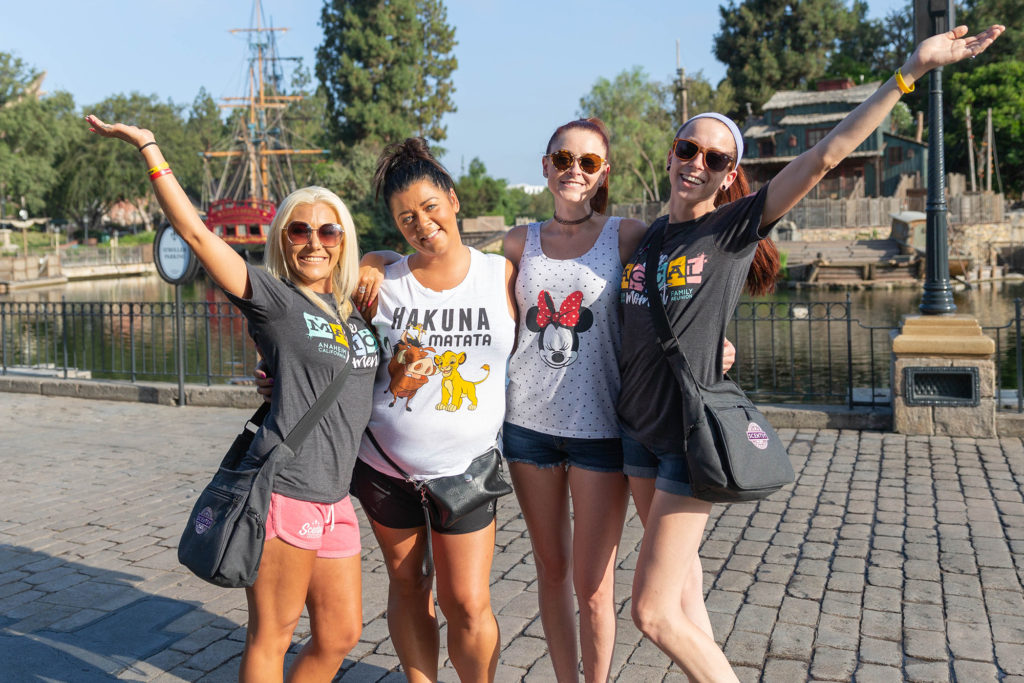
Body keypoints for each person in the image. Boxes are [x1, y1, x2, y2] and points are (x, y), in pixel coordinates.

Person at [616, 24, 1004, 681]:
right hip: (637, 434)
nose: (696, 164)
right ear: (672, 150)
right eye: (689, 148)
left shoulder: (729, 230)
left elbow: (826, 156)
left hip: (688, 437)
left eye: (714, 159)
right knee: (683, 592)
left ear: (729, 174)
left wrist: (909, 71)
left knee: (652, 613)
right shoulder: (644, 238)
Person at [86, 116, 378, 683]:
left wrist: (379, 265)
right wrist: (149, 145)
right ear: (282, 239)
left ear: (344, 239)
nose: (314, 242)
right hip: (285, 489)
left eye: (328, 231)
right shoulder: (273, 298)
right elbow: (196, 234)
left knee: (342, 632)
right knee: (271, 634)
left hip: (337, 497)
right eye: (299, 231)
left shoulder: (355, 308)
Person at [350, 138, 516, 683]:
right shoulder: (382, 281)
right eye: (405, 218)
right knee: (407, 586)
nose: (421, 224)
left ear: (453, 199)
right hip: (385, 468)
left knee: (466, 601)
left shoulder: (502, 276)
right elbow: (315, 319)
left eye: (429, 207)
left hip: (466, 471)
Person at [499, 118, 646, 682]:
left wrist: (717, 340)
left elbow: (682, 282)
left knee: (593, 586)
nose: (573, 171)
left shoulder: (627, 235)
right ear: (546, 165)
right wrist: (374, 263)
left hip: (601, 432)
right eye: (563, 159)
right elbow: (453, 278)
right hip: (528, 428)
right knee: (552, 570)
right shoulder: (519, 242)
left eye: (587, 163)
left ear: (602, 172)